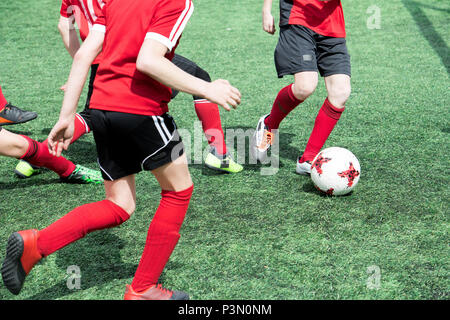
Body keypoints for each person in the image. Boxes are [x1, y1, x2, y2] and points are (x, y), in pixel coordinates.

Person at [1, 0, 241, 300]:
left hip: (100, 107)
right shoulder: (177, 2)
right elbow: (149, 61)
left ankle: (35, 245)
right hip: (141, 109)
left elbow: (86, 54)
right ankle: (143, 290)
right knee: (179, 191)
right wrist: (206, 88)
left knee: (120, 204)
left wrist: (67, 116)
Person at [14, 0, 242, 178]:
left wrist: (80, 65)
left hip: (97, 54)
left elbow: (65, 26)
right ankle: (219, 152)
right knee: (198, 77)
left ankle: (35, 156)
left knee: (93, 114)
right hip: (126, 50)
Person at [252, 0, 351, 175]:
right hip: (299, 20)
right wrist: (266, 10)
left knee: (341, 92)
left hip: (332, 26)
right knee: (305, 86)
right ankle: (269, 124)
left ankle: (308, 158)